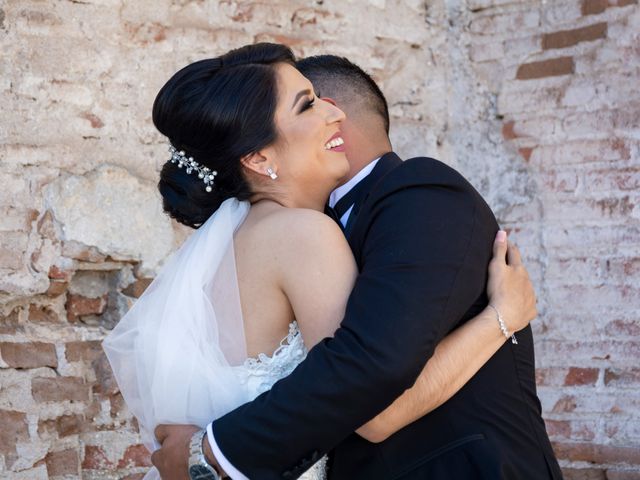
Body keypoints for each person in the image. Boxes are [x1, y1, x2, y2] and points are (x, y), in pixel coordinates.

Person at [105, 43, 545, 480]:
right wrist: (502, 317)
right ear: (258, 158)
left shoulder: (238, 237)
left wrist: (207, 453)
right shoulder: (303, 232)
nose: (333, 114)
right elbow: (372, 402)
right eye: (308, 105)